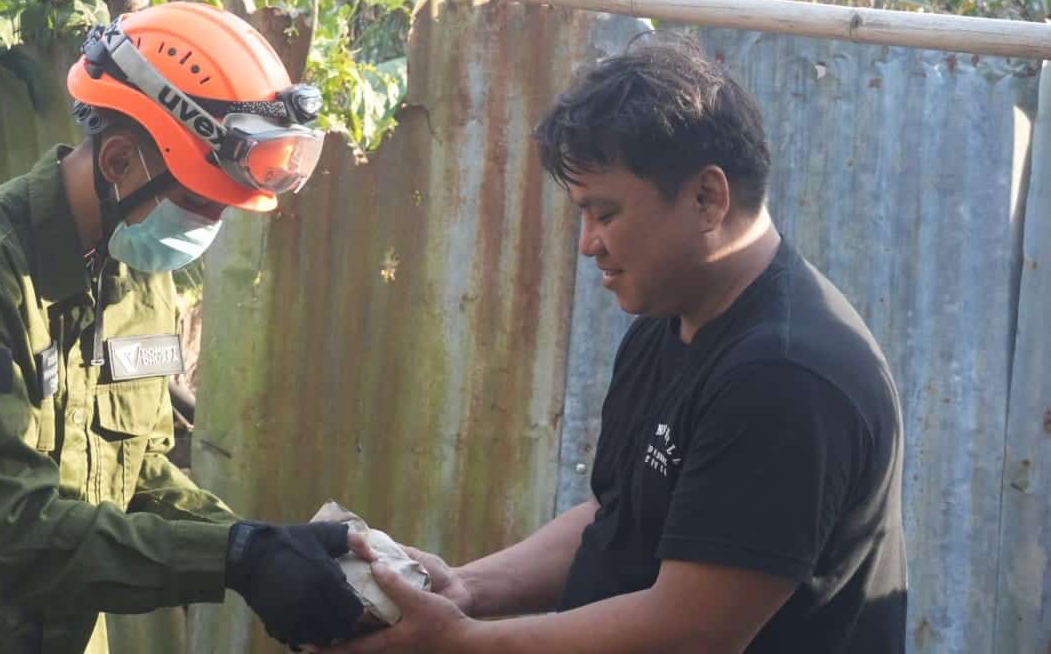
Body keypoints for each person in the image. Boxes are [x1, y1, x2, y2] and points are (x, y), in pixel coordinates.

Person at [0, 2, 362, 654]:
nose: (208, 224)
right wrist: (235, 558)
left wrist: (268, 546)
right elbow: (4, 529)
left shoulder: (140, 276)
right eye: (197, 199)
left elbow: (143, 473)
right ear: (121, 158)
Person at [327, 35, 908, 654]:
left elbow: (688, 633)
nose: (588, 244)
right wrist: (465, 589)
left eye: (604, 214)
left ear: (708, 198)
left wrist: (458, 643)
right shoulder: (668, 323)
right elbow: (621, 519)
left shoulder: (787, 378)